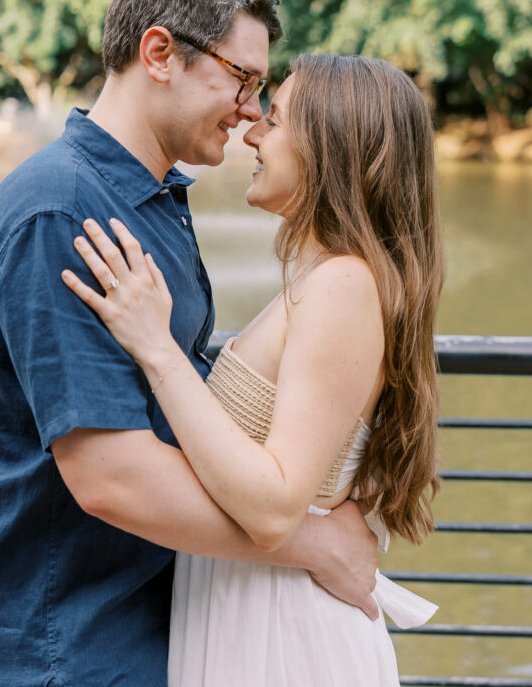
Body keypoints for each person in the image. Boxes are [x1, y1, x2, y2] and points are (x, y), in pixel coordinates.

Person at [0, 0, 380, 687]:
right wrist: (309, 541)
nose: (249, 114)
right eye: (242, 79)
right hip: (59, 645)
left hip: (135, 626)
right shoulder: (61, 211)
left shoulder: (147, 200)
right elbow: (112, 477)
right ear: (160, 53)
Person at [61, 53, 443, 686]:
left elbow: (272, 508)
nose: (253, 131)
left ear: (332, 148)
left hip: (284, 631)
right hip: (248, 605)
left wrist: (157, 349)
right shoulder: (323, 279)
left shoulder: (342, 285)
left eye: (278, 119)